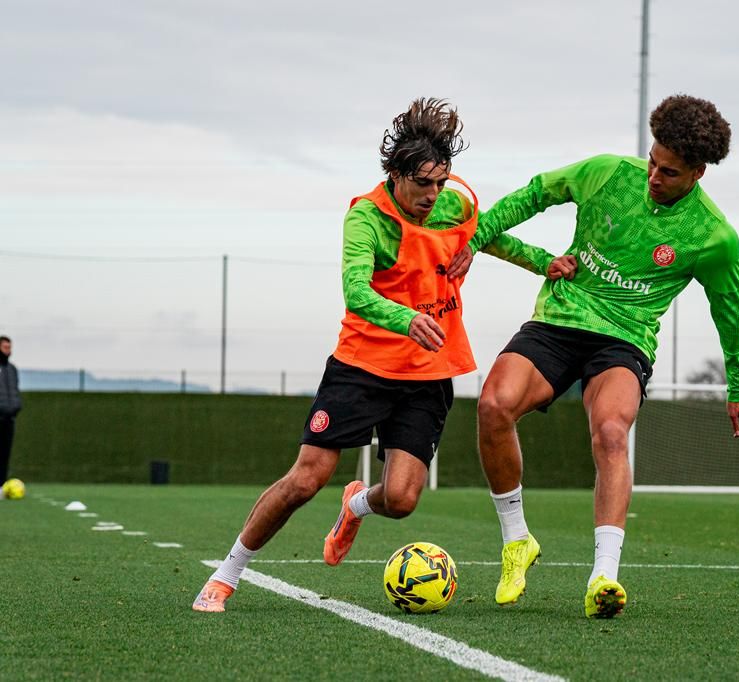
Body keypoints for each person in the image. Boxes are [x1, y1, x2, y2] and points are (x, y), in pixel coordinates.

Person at [193, 98, 568, 613]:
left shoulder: (452, 207)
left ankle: (355, 505)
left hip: (427, 375)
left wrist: (547, 263)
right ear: (395, 175)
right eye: (422, 184)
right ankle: (226, 575)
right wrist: (405, 319)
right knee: (306, 479)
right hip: (361, 367)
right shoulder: (367, 218)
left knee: (401, 500)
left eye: (441, 183)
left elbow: (493, 241)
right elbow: (356, 291)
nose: (433, 195)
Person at [455, 94, 739, 618]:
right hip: (561, 318)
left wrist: (738, 387)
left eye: (669, 172)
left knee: (612, 433)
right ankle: (516, 540)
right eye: (652, 161)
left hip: (624, 339)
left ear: (698, 173)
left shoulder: (713, 236)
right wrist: (477, 236)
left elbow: (729, 311)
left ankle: (604, 576)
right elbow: (537, 192)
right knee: (493, 405)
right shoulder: (607, 173)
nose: (653, 176)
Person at [0, 335, 21, 484]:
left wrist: (16, 406)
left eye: (9, 347)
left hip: (9, 419)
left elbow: (15, 390)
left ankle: (1, 485)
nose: (8, 350)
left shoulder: (12, 369)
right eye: (5, 347)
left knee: (5, 454)